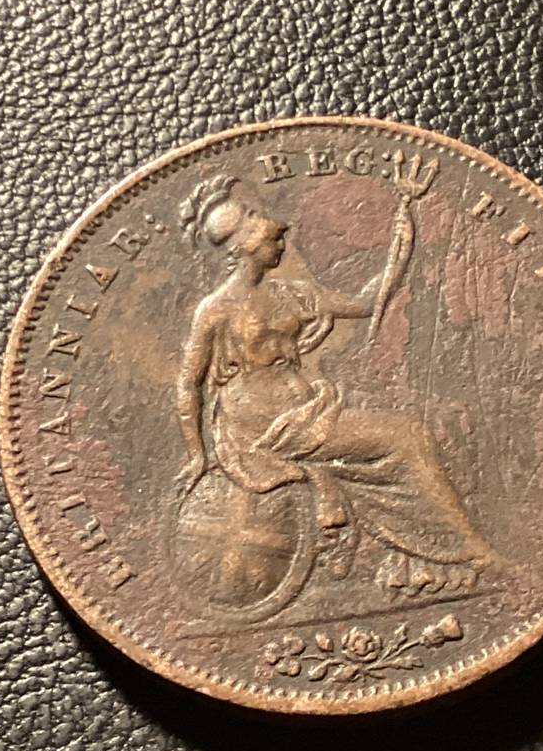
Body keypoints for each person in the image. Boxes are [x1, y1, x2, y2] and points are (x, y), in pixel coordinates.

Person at [172, 174, 495, 592]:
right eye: (272, 238)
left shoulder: (291, 294)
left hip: (307, 412)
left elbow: (366, 302)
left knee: (405, 435)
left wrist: (404, 229)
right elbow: (188, 384)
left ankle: (429, 559)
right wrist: (197, 455)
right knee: (407, 437)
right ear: (242, 245)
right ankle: (464, 549)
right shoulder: (214, 310)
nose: (282, 242)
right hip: (259, 428)